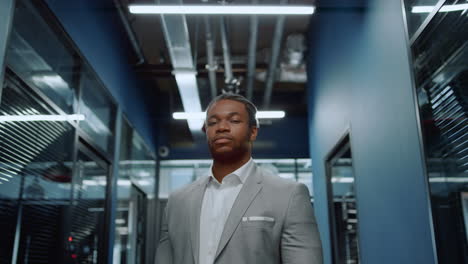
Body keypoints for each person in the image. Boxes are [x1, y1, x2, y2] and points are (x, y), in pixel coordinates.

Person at [156, 93, 323, 264]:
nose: (221, 127)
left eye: (234, 121)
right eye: (213, 123)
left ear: (253, 132)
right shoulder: (177, 201)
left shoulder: (289, 195)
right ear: (206, 132)